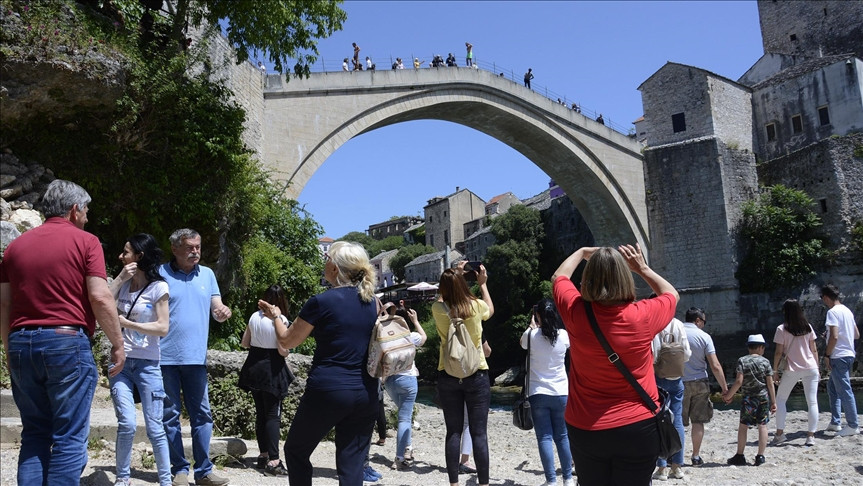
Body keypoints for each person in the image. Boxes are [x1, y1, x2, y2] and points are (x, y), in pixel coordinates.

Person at [0, 179, 125, 486]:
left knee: (35, 434)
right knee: (69, 437)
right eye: (86, 210)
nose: (88, 217)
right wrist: (118, 344)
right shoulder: (86, 242)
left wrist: (9, 349)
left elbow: (4, 303)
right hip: (66, 342)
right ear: (74, 209)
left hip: (20, 343)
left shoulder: (15, 246)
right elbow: (99, 296)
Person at [552, 245, 679, 486]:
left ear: (587, 281)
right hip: (639, 426)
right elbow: (670, 293)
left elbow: (559, 277)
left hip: (586, 427)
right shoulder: (643, 315)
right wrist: (641, 268)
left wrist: (580, 252)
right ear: (624, 278)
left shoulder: (575, 312)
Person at [268, 241, 380, 485]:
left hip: (329, 389)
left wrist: (276, 317)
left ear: (335, 268)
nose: (325, 261)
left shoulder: (322, 301)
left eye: (328, 258)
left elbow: (288, 341)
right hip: (367, 392)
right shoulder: (374, 302)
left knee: (296, 450)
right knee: (351, 464)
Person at [159, 228, 232, 486]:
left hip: (196, 357)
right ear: (175, 249)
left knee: (202, 415)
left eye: (198, 247)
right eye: (190, 247)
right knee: (170, 416)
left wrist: (222, 311)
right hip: (164, 357)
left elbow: (216, 306)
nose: (195, 251)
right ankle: (179, 469)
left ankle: (204, 471)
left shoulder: (208, 275)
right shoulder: (160, 273)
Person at [109, 234, 172, 486]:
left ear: (139, 256)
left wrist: (128, 323)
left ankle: (166, 481)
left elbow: (163, 327)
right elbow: (102, 301)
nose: (121, 256)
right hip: (121, 363)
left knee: (155, 427)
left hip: (147, 364)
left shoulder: (159, 288)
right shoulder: (122, 284)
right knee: (126, 423)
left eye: (126, 252)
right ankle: (122, 478)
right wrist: (120, 277)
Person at [432, 262, 494, 486]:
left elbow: (443, 298)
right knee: (479, 434)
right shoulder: (476, 306)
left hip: (447, 374)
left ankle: (454, 484)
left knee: (453, 432)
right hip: (476, 373)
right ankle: (484, 483)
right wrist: (482, 285)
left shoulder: (438, 310)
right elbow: (491, 310)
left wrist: (451, 277)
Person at [238, 285, 293, 477]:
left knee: (261, 413)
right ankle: (274, 460)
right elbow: (283, 350)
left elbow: (245, 342)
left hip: (254, 368)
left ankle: (263, 456)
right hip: (272, 369)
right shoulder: (281, 320)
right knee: (272, 415)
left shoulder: (254, 317)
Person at [519, 298, 574, 486]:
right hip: (561, 392)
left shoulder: (530, 335)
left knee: (544, 437)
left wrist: (532, 326)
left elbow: (522, 345)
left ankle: (551, 481)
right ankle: (568, 478)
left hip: (538, 392)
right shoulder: (564, 336)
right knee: (563, 436)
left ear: (538, 315)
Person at [681, 307, 728, 466]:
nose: (704, 325)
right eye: (704, 322)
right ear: (698, 320)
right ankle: (695, 456)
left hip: (678, 381)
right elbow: (715, 365)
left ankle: (675, 456)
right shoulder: (704, 337)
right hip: (700, 381)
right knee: (698, 421)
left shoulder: (676, 332)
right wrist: (724, 388)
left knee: (677, 422)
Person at [722, 334, 776, 466]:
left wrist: (729, 395)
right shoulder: (765, 362)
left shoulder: (742, 360)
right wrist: (773, 402)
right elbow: (770, 383)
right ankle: (760, 456)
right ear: (760, 347)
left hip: (748, 398)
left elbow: (739, 381)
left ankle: (740, 455)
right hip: (763, 397)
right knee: (762, 425)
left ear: (749, 347)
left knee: (743, 426)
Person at [385, 302, 427, 470]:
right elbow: (424, 338)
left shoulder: (385, 336)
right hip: (408, 380)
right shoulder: (409, 336)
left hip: (389, 381)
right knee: (405, 418)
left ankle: (408, 448)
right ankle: (399, 457)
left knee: (405, 416)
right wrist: (415, 321)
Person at [772, 299, 819, 447]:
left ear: (785, 312)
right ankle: (810, 436)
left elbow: (779, 352)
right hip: (811, 367)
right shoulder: (808, 327)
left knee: (781, 400)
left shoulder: (781, 329)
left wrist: (775, 371)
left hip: (792, 369)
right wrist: (817, 367)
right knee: (812, 401)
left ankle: (779, 434)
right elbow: (814, 349)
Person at [651, 317, 691, 481]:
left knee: (660, 420)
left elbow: (653, 355)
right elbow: (687, 353)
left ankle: (662, 468)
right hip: (677, 378)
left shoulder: (654, 322)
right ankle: (677, 466)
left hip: (659, 378)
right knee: (678, 421)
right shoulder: (678, 324)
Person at [821, 284, 860, 436]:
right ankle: (835, 422)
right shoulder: (847, 311)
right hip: (849, 353)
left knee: (845, 390)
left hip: (839, 355)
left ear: (826, 297)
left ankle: (852, 424)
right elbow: (855, 334)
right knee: (832, 387)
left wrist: (827, 355)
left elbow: (835, 336)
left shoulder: (832, 312)